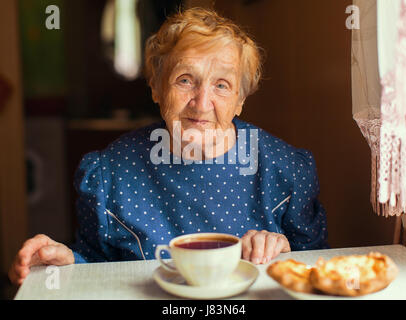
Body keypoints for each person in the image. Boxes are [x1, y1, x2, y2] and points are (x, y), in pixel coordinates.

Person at [8, 7, 328, 285]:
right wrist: (66, 263)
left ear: (240, 100)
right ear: (156, 87)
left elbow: (320, 269)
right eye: (185, 79)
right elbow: (95, 268)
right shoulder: (109, 175)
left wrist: (284, 252)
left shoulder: (286, 171)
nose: (202, 103)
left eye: (222, 84)